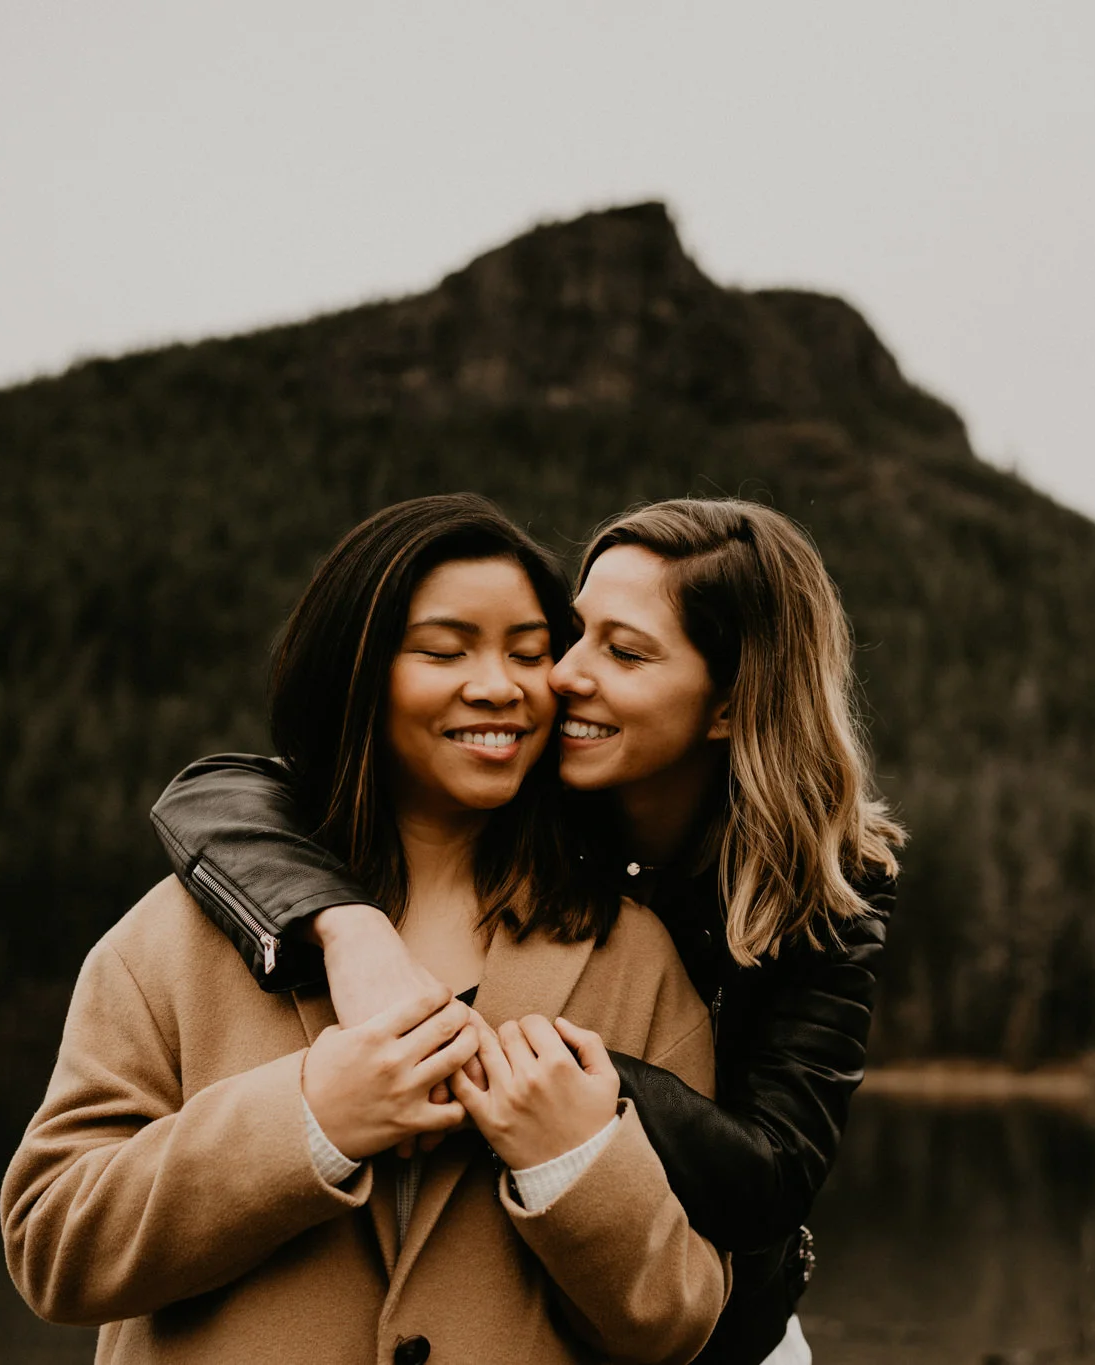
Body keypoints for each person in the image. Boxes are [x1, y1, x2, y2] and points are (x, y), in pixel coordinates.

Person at [152, 498, 905, 1365]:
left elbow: (774, 1176)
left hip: (733, 1339)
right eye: (572, 634)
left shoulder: (828, 883)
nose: (563, 675)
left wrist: (558, 1067)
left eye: (624, 652)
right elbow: (214, 794)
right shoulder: (525, 772)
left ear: (731, 706)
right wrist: (351, 929)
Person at [2, 494, 728, 1364]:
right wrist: (311, 1116)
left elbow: (680, 1321)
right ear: (356, 672)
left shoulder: (634, 958)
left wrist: (572, 1164)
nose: (498, 685)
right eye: (444, 650)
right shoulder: (175, 935)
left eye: (529, 653)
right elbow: (52, 1246)